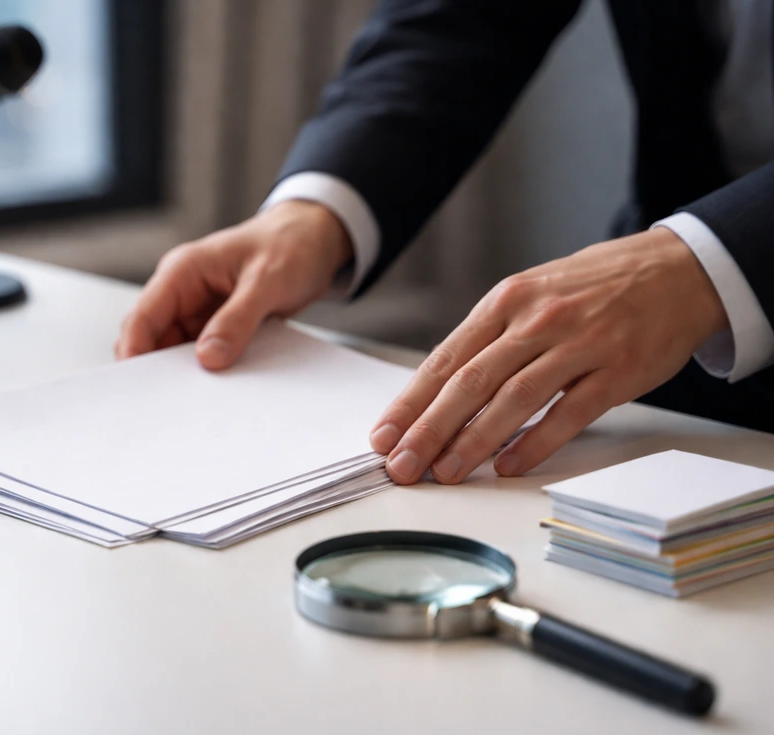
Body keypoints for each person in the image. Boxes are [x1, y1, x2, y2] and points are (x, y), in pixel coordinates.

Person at [116, 0, 774, 486]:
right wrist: (317, 211)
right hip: (665, 395)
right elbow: (461, 17)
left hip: (667, 300)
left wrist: (704, 265)